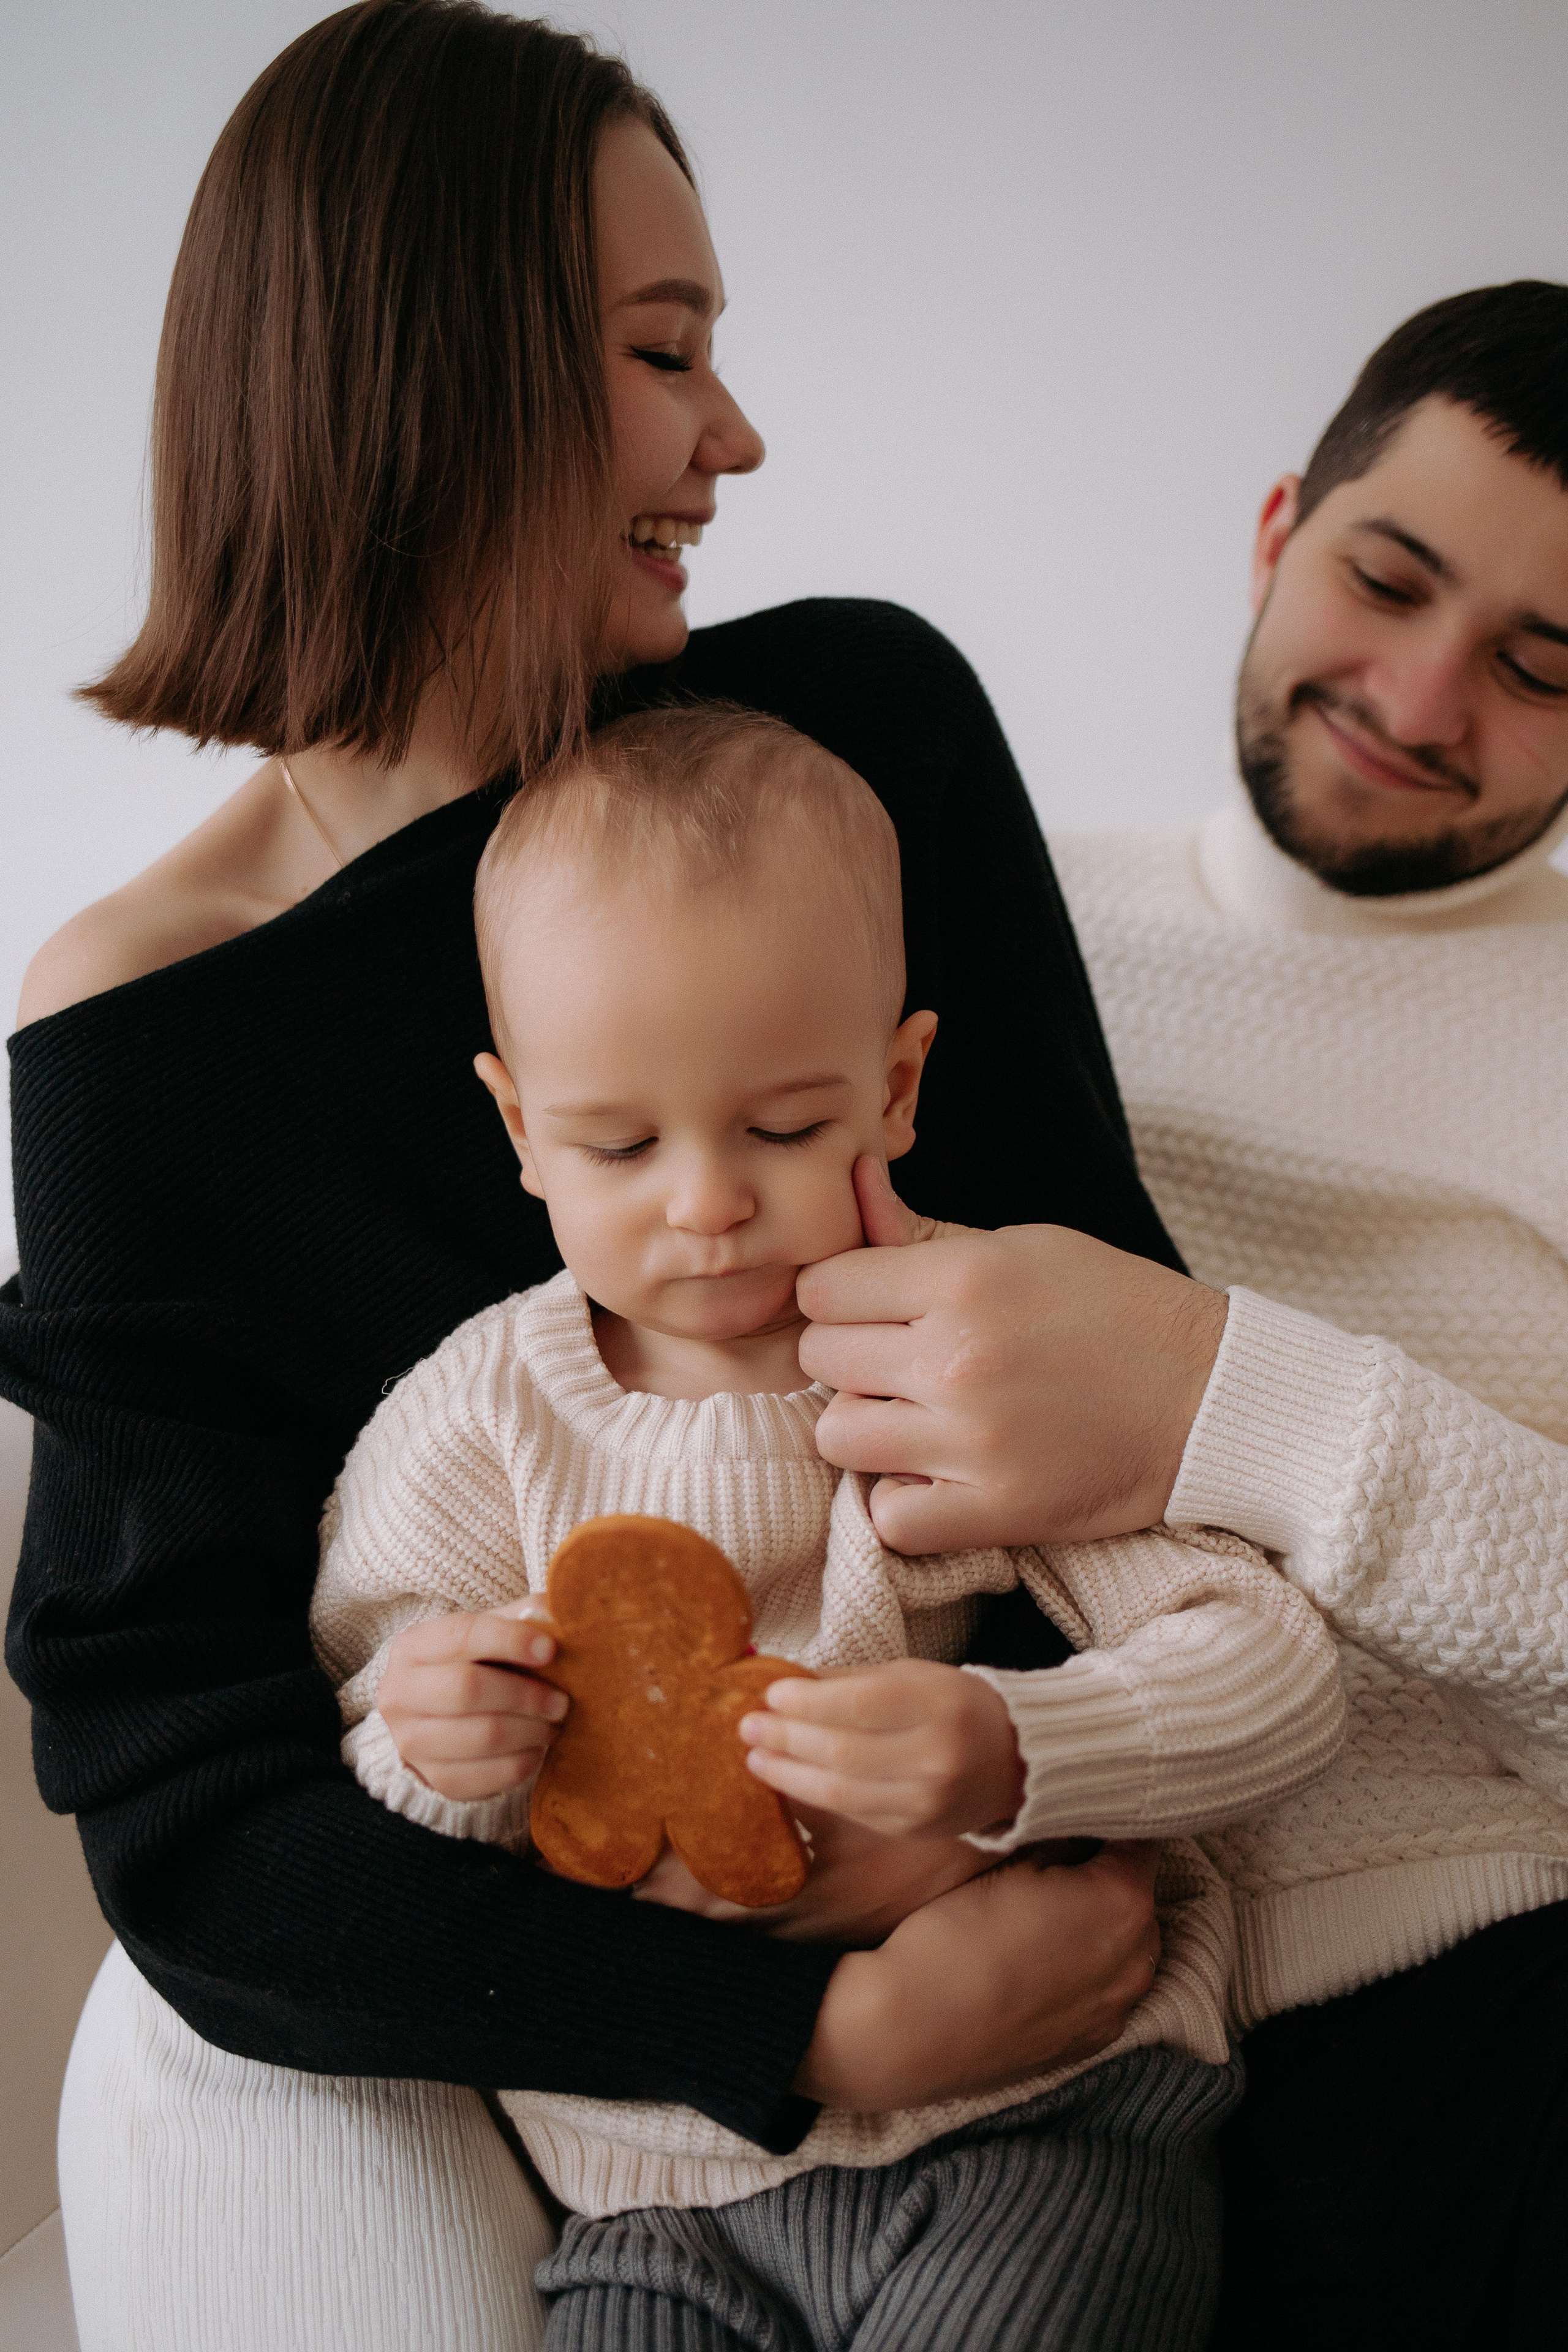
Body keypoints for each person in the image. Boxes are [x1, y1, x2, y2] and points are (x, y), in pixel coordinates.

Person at [1, 9, 1172, 2348]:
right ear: (430, 379)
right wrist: (796, 2027)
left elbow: (1107, 1371)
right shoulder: (135, 1028)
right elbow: (193, 1811)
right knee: (173, 2065)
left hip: (1018, 1928)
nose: (736, 437)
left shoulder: (848, 743)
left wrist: (993, 1799)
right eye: (663, 352)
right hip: (487, 2011)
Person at [309, 701, 1346, 2350]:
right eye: (618, 1143)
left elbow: (1282, 1673)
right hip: (653, 2193)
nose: (707, 1202)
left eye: (783, 1128)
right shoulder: (476, 1426)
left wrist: (1019, 1747)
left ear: (896, 1087)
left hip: (1041, 2127)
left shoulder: (969, 1349)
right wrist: (437, 1749)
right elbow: (346, 1790)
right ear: (519, 1131)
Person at [801, 283, 1568, 2351]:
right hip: (974, 1989)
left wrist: (1222, 1397)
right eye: (1386, 578)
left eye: (1541, 665)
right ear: (1274, 533)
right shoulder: (962, 938)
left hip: (1472, 2016)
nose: (1422, 695)